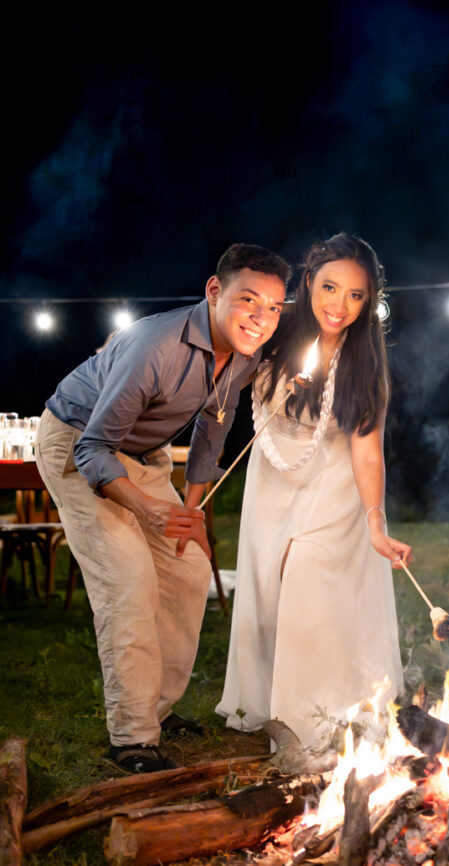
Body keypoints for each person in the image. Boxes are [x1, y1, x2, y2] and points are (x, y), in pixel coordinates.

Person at [35, 244, 290, 773]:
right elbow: (92, 450)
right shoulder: (155, 346)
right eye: (249, 300)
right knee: (128, 582)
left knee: (188, 571)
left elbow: (213, 428)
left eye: (273, 308)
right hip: (77, 443)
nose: (261, 319)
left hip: (143, 456)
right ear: (214, 291)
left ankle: (157, 708)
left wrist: (189, 511)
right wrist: (147, 510)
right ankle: (132, 738)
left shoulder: (246, 356)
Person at [216, 233, 412, 752]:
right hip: (273, 473)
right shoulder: (276, 332)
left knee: (307, 578)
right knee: (268, 589)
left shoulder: (366, 358)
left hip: (334, 479)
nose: (339, 305)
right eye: (330, 287)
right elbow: (224, 382)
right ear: (308, 282)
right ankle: (267, 706)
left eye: (355, 295)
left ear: (369, 301)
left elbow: (367, 449)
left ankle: (315, 718)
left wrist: (375, 520)